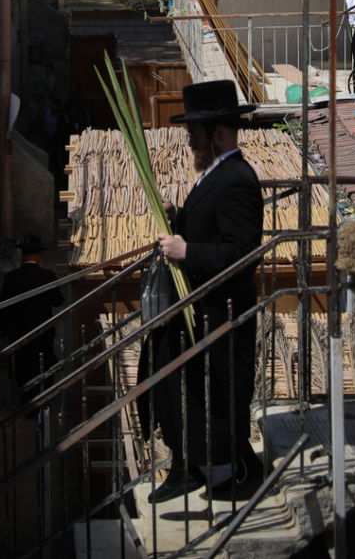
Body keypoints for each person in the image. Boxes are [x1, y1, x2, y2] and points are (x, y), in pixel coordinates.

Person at [137, 80, 265, 503]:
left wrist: (188, 250)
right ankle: (185, 466)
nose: (189, 139)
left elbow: (242, 252)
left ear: (219, 133)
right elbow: (209, 224)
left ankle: (246, 470)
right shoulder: (214, 173)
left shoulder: (237, 180)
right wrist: (179, 218)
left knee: (226, 394)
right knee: (181, 384)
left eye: (195, 132)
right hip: (198, 305)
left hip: (222, 309)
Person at [0, 234, 64, 397]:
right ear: (39, 256)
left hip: (19, 331)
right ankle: (44, 395)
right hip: (42, 329)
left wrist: (5, 331)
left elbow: (3, 307)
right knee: (44, 361)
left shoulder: (11, 278)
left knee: (23, 364)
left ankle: (26, 400)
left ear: (23, 256)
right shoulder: (48, 276)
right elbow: (58, 301)